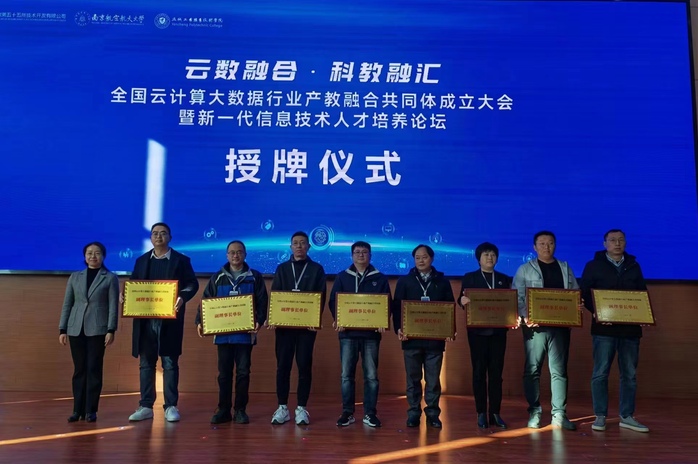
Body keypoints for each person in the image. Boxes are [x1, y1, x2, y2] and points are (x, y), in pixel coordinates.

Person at [127, 223, 199, 422]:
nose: (158, 236)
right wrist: (127, 296)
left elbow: (192, 284)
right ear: (151, 237)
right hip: (145, 320)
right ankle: (145, 406)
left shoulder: (181, 260)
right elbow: (133, 284)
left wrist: (183, 296)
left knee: (169, 363)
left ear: (170, 237)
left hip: (170, 320)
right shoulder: (141, 260)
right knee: (146, 363)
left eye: (163, 233)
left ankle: (171, 406)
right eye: (155, 233)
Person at [580, 229, 650, 433]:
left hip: (630, 330)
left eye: (621, 240)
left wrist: (644, 315)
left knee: (629, 375)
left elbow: (642, 294)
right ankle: (600, 415)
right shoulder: (593, 266)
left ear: (625, 242)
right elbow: (584, 293)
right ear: (605, 244)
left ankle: (626, 416)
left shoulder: (634, 266)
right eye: (612, 240)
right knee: (600, 373)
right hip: (604, 329)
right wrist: (596, 312)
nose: (617, 243)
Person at [512, 231, 582, 431]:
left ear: (555, 245)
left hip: (560, 328)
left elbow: (575, 293)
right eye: (542, 243)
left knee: (559, 371)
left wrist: (576, 307)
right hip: (534, 329)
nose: (546, 247)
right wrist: (526, 316)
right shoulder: (525, 269)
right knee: (532, 370)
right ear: (534, 247)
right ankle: (534, 411)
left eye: (550, 243)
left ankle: (559, 414)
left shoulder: (565, 268)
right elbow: (517, 296)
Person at [195, 240, 268, 425]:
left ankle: (240, 410)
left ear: (245, 254)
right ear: (227, 255)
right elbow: (206, 300)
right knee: (224, 374)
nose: (236, 255)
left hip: (245, 335)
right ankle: (224, 410)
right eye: (232, 252)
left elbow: (262, 302)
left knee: (243, 373)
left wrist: (259, 321)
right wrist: (200, 321)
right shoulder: (217, 277)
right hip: (223, 336)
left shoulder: (255, 277)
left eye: (239, 252)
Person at [392, 244, 455, 429]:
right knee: (413, 379)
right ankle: (413, 413)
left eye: (424, 257)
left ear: (432, 258)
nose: (421, 260)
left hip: (435, 341)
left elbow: (449, 307)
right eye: (417, 257)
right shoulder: (404, 281)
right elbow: (397, 308)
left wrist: (450, 329)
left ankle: (433, 414)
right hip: (410, 339)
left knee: (433, 380)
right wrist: (399, 329)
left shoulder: (442, 282)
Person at [329, 241, 391, 428]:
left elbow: (387, 303)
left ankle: (370, 414)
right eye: (357, 252)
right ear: (352, 255)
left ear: (370, 255)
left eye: (365, 252)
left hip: (371, 336)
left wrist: (383, 321)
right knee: (346, 375)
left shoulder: (380, 278)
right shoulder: (342, 277)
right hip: (347, 334)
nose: (361, 255)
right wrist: (338, 319)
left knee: (371, 376)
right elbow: (333, 301)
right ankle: (347, 412)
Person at [269, 231, 326, 426]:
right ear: (291, 247)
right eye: (296, 243)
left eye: (303, 243)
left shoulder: (317, 269)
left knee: (304, 366)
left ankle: (301, 408)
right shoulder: (282, 268)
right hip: (284, 328)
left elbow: (321, 296)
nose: (299, 246)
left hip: (306, 328)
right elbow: (275, 294)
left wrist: (315, 319)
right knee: (283, 367)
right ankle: (282, 407)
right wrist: (274, 317)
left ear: (309, 246)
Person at [59, 241, 119, 423]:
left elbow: (113, 306)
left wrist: (111, 329)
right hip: (75, 328)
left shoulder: (110, 278)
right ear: (85, 257)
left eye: (97, 253)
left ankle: (91, 410)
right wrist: (62, 328)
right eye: (89, 253)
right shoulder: (75, 277)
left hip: (98, 329)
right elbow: (67, 304)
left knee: (93, 368)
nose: (93, 256)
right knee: (79, 370)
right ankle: (77, 410)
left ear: (103, 256)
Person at [458, 242, 513, 429]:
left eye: (493, 255)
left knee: (496, 374)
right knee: (479, 373)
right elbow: (460, 298)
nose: (490, 258)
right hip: (477, 333)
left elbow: (509, 304)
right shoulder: (470, 277)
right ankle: (481, 412)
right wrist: (462, 300)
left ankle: (495, 413)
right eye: (486, 255)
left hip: (498, 333)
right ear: (479, 258)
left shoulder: (503, 278)